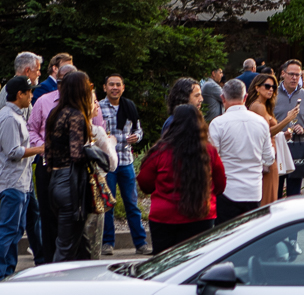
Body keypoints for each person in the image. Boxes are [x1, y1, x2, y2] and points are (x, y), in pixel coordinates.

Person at [137, 105, 225, 254]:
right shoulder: (209, 151)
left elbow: (144, 182)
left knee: (164, 261)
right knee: (197, 261)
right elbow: (220, 184)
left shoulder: (160, 151)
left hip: (164, 217)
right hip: (201, 213)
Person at [43, 70, 104, 261]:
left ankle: (85, 275)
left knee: (80, 244)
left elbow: (48, 151)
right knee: (66, 247)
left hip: (55, 181)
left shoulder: (55, 113)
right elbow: (76, 154)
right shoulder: (76, 115)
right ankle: (56, 279)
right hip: (70, 184)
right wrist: (96, 154)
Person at [0, 77, 43, 282]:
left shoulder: (16, 115)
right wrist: (40, 149)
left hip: (21, 181)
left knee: (17, 229)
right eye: (29, 92)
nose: (32, 96)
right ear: (20, 94)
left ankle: (7, 273)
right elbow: (13, 151)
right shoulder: (9, 117)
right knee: (7, 229)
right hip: (11, 182)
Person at [207, 79, 275, 226]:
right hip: (254, 191)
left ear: (223, 98)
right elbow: (269, 158)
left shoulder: (217, 124)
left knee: (226, 235)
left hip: (227, 191)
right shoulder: (261, 123)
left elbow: (212, 160)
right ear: (245, 97)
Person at [97, 74, 149, 256]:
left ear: (123, 87)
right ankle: (107, 243)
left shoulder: (129, 106)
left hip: (126, 161)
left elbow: (138, 129)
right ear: (105, 87)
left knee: (132, 204)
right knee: (107, 205)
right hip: (107, 163)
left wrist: (137, 137)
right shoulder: (98, 107)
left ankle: (141, 243)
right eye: (111, 84)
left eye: (118, 85)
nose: (115, 88)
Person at [247, 73, 298, 205]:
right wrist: (287, 119)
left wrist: (282, 134)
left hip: (269, 155)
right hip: (267, 158)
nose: (271, 89)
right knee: (268, 200)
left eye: (273, 87)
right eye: (267, 86)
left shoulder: (263, 106)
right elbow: (266, 133)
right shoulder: (258, 106)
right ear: (257, 87)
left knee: (270, 197)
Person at [275, 59, 304, 197]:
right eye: (291, 74)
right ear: (283, 74)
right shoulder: (273, 95)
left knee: (294, 195)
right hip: (277, 148)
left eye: (297, 75)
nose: (294, 78)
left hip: (297, 149)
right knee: (275, 193)